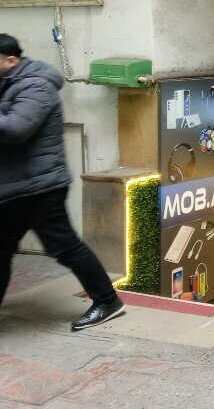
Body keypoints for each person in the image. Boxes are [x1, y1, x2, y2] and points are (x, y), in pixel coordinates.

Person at [0, 34, 124, 330]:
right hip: (14, 188)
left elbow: (15, 128)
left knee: (65, 248)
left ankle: (108, 301)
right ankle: (108, 300)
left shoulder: (36, 86)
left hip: (40, 188)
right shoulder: (9, 83)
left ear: (10, 60)